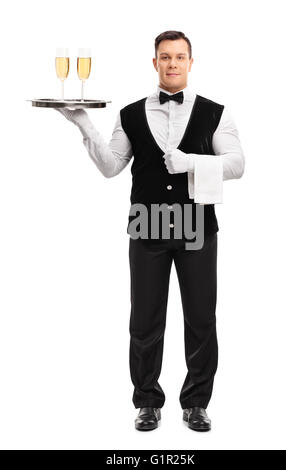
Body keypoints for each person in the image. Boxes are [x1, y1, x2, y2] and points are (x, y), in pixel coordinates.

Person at [55, 30, 245, 432]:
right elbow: (110, 167)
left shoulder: (216, 112)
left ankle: (196, 404)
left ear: (191, 63)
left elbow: (237, 164)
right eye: (165, 57)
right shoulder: (129, 113)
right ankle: (147, 402)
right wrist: (83, 123)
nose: (172, 63)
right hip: (146, 222)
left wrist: (192, 162)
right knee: (144, 320)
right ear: (154, 62)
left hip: (196, 222)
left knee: (200, 319)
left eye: (179, 57)